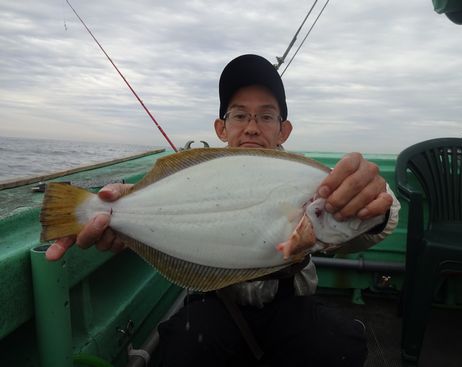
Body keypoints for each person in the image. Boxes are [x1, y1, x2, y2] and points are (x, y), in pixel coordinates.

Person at [46, 54, 400, 366]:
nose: (251, 127)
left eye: (266, 116)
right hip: (214, 305)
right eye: (239, 115)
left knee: (339, 347)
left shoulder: (310, 180)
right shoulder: (203, 174)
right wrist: (120, 209)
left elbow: (366, 225)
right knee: (181, 353)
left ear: (284, 130)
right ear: (221, 127)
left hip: (290, 305)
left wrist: (378, 207)